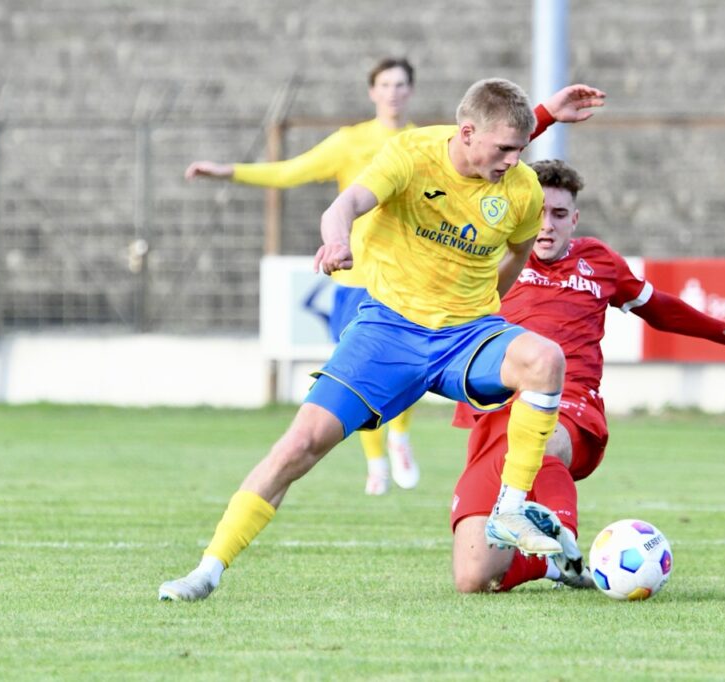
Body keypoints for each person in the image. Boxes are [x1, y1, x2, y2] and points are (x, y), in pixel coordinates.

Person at [159, 79, 608, 602]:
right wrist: (336, 240)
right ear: (466, 133)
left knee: (544, 358)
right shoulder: (411, 156)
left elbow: (516, 254)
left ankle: (510, 509)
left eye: (520, 148)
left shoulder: (522, 188)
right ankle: (208, 569)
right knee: (298, 445)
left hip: (466, 334)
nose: (515, 160)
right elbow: (344, 204)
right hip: (389, 331)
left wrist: (485, 307)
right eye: (506, 149)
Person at [449, 159, 725, 593]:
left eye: (559, 215)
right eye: (537, 213)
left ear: (575, 219)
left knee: (545, 433)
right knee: (473, 578)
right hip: (495, 414)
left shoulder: (598, 261)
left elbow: (659, 307)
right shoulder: (491, 256)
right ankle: (553, 569)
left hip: (570, 406)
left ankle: (563, 537)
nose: (546, 225)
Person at [185, 57, 422, 496]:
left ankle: (401, 437)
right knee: (359, 375)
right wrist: (229, 171)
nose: (393, 92)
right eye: (385, 84)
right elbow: (290, 171)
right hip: (355, 280)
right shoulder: (351, 142)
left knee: (408, 369)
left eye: (400, 84)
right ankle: (376, 464)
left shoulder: (423, 144)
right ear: (373, 92)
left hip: (405, 278)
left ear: (411, 91)